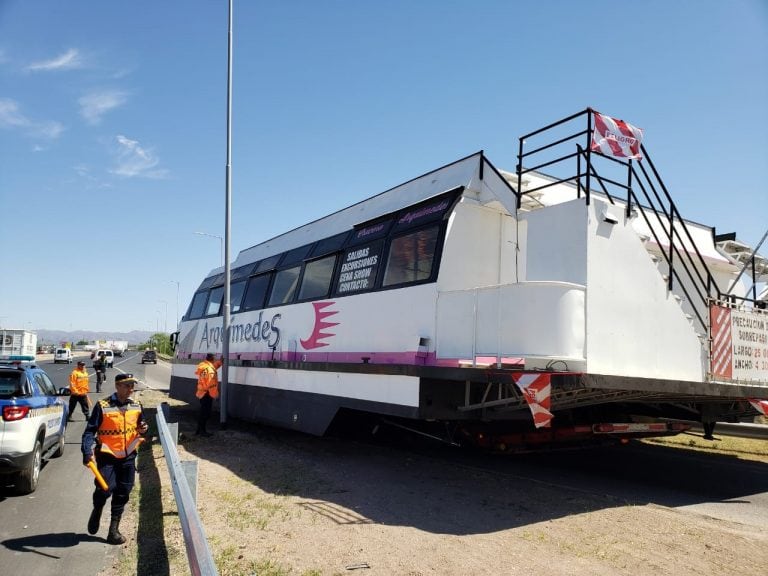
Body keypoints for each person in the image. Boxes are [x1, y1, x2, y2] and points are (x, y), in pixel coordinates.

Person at [81, 373, 149, 545]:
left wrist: (143, 429)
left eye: (132, 385)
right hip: (107, 455)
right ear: (118, 386)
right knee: (105, 489)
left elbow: (142, 427)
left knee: (123, 492)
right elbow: (90, 431)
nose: (131, 389)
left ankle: (113, 531)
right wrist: (86, 451)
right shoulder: (103, 405)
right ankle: (97, 508)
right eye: (127, 385)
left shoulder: (136, 405)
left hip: (128, 455)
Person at [195, 353, 222, 437]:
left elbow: (213, 367)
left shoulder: (205, 366)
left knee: (202, 412)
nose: (215, 360)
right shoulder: (210, 370)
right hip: (207, 394)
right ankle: (202, 432)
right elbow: (211, 385)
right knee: (206, 413)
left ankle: (199, 431)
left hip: (202, 393)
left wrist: (220, 362)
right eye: (214, 358)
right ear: (212, 359)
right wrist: (216, 395)